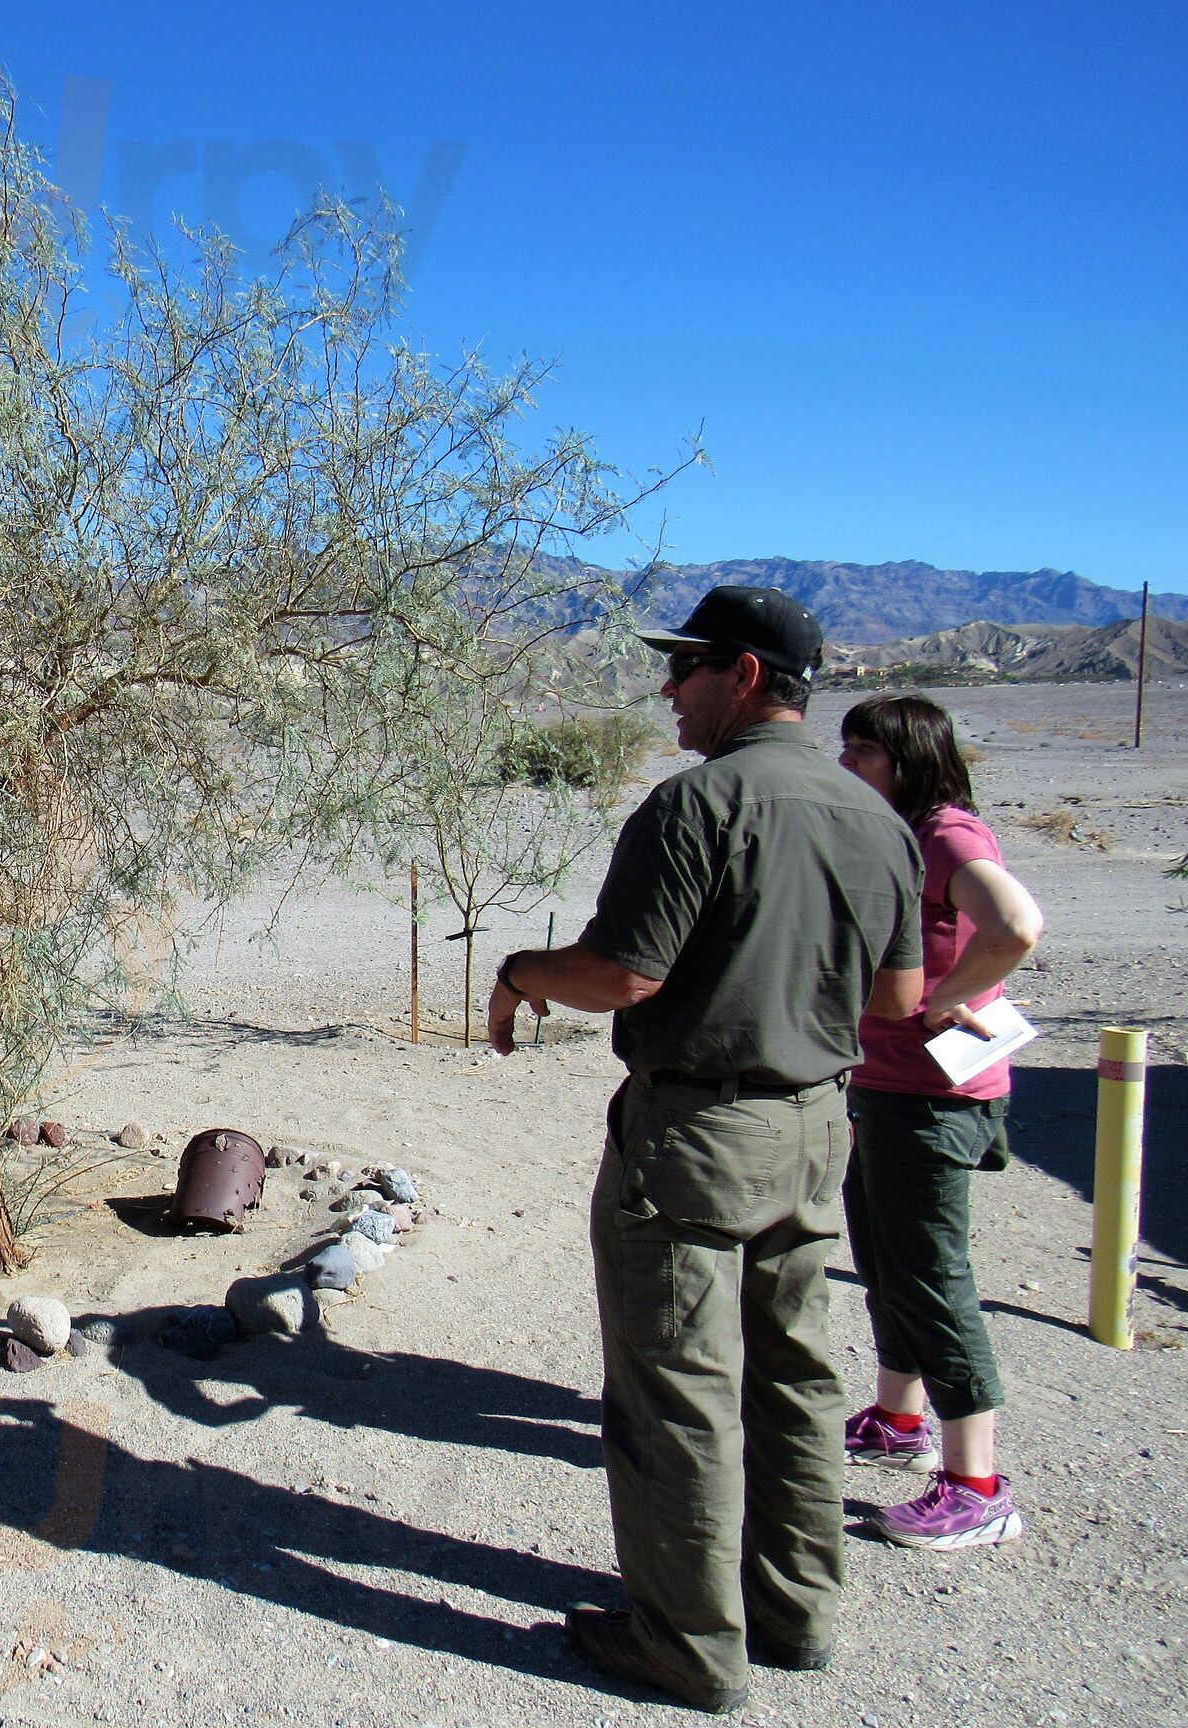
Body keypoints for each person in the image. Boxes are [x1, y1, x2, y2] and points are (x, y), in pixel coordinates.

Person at [486, 585, 924, 1715]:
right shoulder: (877, 818)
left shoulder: (696, 809)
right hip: (816, 1128)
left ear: (742, 675)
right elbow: (900, 992)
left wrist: (521, 973)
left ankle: (683, 1643)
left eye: (684, 668)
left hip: (694, 1136)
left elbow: (624, 974)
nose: (667, 689)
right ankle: (797, 1610)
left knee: (675, 1389)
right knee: (794, 1375)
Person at [834, 694, 1043, 1550]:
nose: (847, 766)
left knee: (931, 1274)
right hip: (891, 1088)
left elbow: (1018, 926)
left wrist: (946, 999)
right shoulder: (899, 834)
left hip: (934, 1098)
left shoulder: (947, 836)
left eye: (861, 752)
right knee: (884, 1253)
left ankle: (976, 1486)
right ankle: (898, 1419)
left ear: (908, 758)